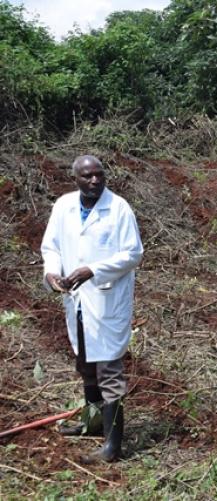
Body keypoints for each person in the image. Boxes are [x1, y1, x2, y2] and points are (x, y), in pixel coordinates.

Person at [41, 155, 143, 463]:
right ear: (75, 178)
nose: (95, 180)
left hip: (107, 300)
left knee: (109, 370)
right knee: (85, 365)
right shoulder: (63, 207)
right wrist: (52, 273)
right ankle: (93, 425)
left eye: (99, 174)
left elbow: (133, 254)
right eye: (87, 176)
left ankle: (113, 447)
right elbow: (52, 247)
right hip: (77, 300)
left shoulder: (119, 209)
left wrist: (92, 270)